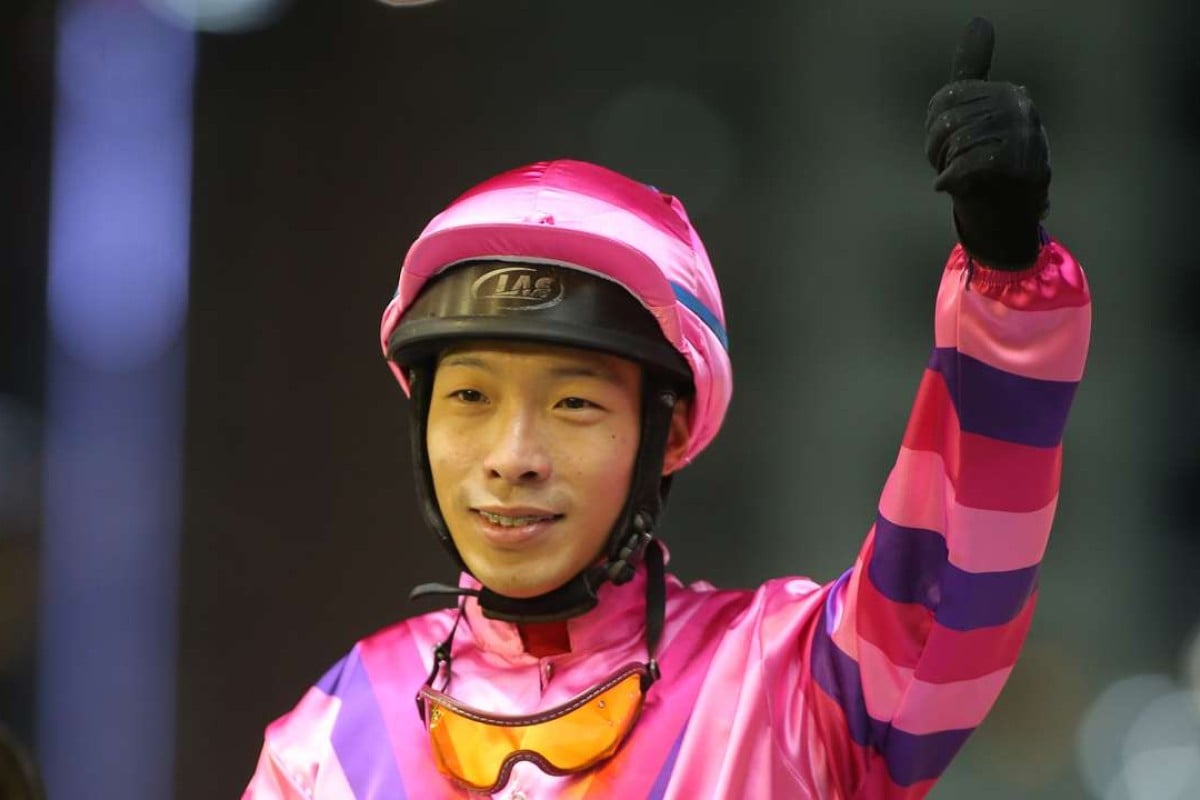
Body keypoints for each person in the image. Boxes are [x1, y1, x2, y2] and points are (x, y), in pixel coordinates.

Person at [245, 18, 1091, 799]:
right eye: (469, 396)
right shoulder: (326, 740)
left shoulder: (791, 687)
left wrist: (1007, 279)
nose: (512, 455)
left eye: (573, 402)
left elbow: (953, 579)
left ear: (672, 432)